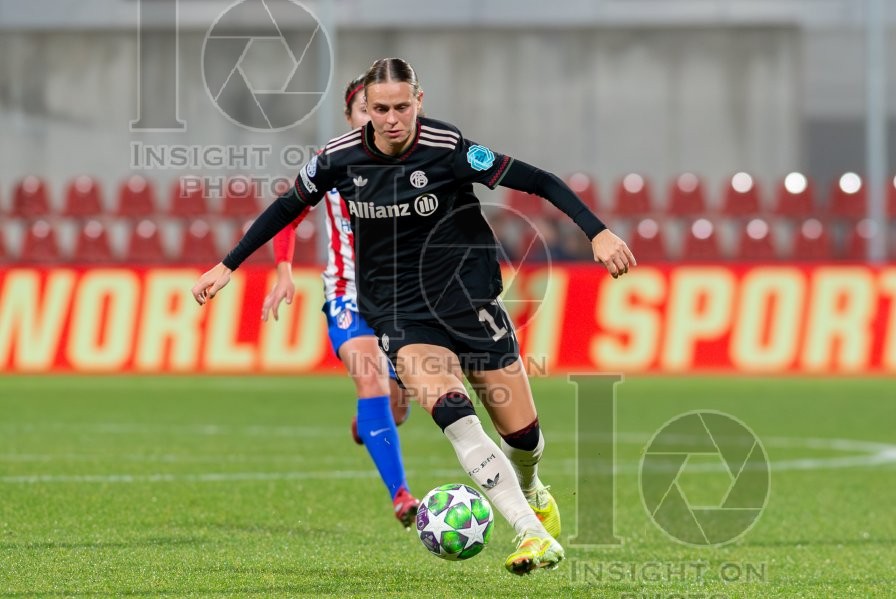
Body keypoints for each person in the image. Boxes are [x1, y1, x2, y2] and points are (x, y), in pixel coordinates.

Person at [192, 58, 636, 575]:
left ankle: (533, 488)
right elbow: (287, 207)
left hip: (470, 305)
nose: (392, 118)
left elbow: (540, 180)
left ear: (419, 102)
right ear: (365, 111)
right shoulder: (338, 160)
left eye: (402, 106)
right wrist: (228, 265)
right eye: (380, 109)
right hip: (400, 315)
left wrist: (598, 232)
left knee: (523, 439)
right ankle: (531, 534)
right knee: (452, 413)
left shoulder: (449, 149)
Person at [261, 74, 419, 529]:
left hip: (400, 298)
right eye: (368, 109)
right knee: (370, 381)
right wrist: (285, 270)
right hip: (348, 294)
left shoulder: (414, 163)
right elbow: (287, 216)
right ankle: (401, 494)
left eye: (388, 109)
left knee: (397, 407)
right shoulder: (331, 163)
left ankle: (370, 423)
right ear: (352, 117)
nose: (378, 117)